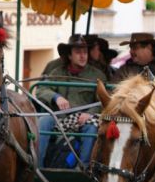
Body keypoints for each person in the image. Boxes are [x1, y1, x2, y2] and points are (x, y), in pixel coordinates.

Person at [35, 34, 107, 168]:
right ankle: (38, 168)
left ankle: (84, 169)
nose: (82, 56)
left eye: (85, 52)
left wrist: (90, 114)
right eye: (78, 52)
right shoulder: (57, 72)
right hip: (59, 118)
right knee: (43, 121)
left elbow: (103, 101)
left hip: (83, 118)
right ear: (69, 55)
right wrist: (56, 97)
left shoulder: (97, 76)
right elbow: (41, 90)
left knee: (92, 128)